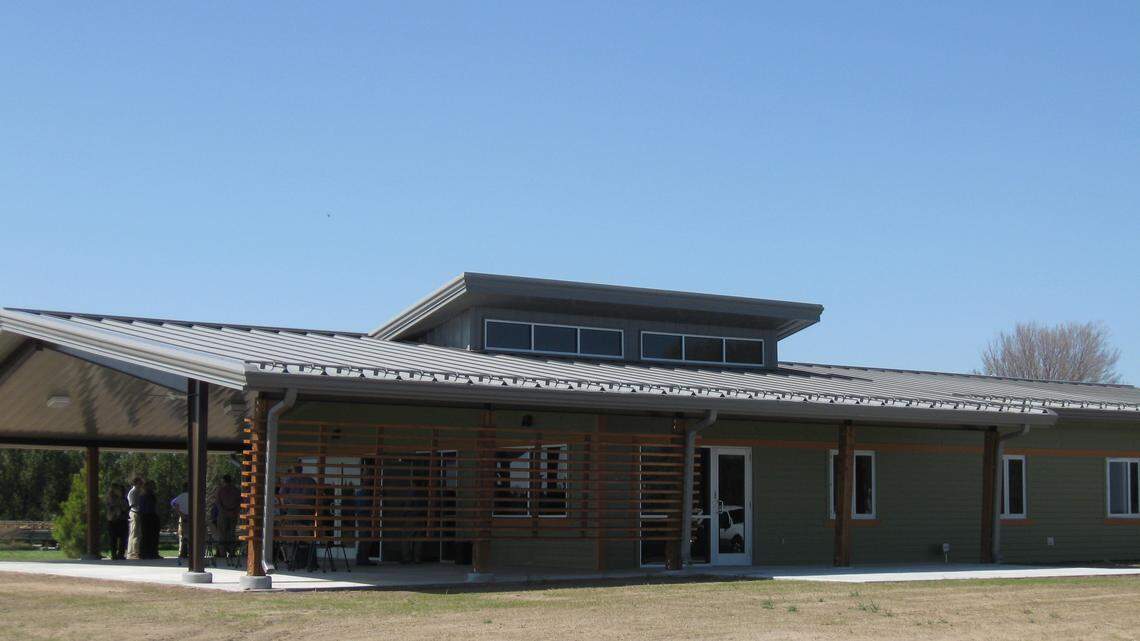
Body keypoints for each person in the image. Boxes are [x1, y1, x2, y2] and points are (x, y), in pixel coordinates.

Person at [281, 463, 318, 571]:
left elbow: (282, 496)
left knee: (291, 540)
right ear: (302, 469)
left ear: (293, 470)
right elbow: (317, 496)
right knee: (308, 540)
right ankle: (310, 562)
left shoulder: (288, 481)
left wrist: (285, 510)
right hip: (306, 514)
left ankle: (292, 562)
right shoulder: (310, 481)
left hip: (292, 513)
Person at [215, 475, 241, 559]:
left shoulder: (221, 491)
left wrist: (224, 511)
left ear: (224, 481)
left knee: (222, 533)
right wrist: (234, 511)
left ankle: (222, 553)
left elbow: (218, 503)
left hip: (223, 514)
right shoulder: (236, 491)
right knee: (232, 533)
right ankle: (232, 552)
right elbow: (239, 502)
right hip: (233, 513)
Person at [105, 484, 129, 560]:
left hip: (122, 519)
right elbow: (111, 507)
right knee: (113, 539)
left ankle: (120, 554)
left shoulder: (123, 498)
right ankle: (114, 554)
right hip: (113, 520)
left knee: (123, 538)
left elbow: (125, 507)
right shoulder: (110, 498)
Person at [139, 480, 161, 559]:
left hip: (152, 515)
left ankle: (152, 552)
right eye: (152, 485)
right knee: (146, 535)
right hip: (147, 516)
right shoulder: (145, 495)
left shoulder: (151, 495)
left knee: (153, 535)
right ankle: (145, 553)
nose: (153, 487)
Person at [125, 476, 144, 560]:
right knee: (134, 533)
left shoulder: (138, 491)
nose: (141, 484)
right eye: (140, 482)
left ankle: (136, 551)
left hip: (138, 513)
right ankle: (132, 553)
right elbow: (132, 504)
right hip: (135, 512)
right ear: (136, 483)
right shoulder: (133, 492)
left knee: (138, 534)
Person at [170, 483, 190, 559]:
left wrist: (180, 513)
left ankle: (182, 552)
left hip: (183, 517)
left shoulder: (180, 497)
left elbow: (173, 503)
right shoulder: (192, 496)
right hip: (191, 517)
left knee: (183, 535)